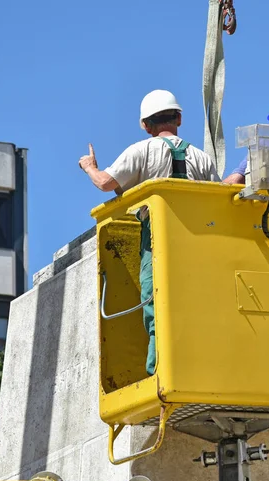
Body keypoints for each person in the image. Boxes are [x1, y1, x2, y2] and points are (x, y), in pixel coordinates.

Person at [79, 89, 220, 376]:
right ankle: (200, 368)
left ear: (146, 125)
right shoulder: (202, 158)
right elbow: (217, 199)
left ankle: (159, 370)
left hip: (157, 241)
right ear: (179, 117)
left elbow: (106, 183)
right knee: (195, 303)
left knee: (156, 300)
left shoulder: (141, 151)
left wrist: (90, 167)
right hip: (198, 242)